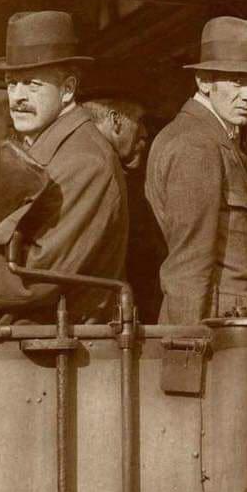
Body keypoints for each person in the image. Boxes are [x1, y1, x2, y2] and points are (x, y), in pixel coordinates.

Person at [0, 11, 128, 324]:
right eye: (12, 83)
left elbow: (41, 275)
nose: (17, 97)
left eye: (32, 84)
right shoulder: (49, 147)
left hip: (58, 351)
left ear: (68, 89)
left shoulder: (85, 161)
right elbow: (16, 224)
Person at [145, 17, 247, 323]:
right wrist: (185, 349)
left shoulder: (212, 139)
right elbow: (189, 265)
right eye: (238, 82)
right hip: (212, 331)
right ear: (204, 81)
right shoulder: (197, 146)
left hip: (227, 325)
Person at [83, 96, 164, 323]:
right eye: (139, 120)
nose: (145, 132)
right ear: (115, 120)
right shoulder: (99, 165)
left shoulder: (99, 159)